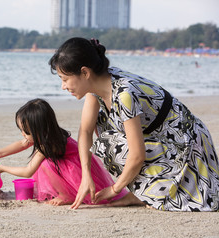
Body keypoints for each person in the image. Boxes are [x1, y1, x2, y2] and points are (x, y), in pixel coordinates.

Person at [49, 37, 219, 211]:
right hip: (159, 137)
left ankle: (145, 194)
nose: (63, 86)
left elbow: (137, 155)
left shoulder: (124, 94)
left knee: (110, 144)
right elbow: (85, 130)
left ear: (85, 73)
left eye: (65, 79)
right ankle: (144, 191)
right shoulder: (97, 85)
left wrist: (114, 190)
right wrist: (86, 175)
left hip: (187, 145)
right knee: (101, 126)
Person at [0, 98, 139, 206]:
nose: (23, 135)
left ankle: (66, 196)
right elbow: (22, 143)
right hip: (72, 167)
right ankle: (64, 192)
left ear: (39, 130)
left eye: (25, 131)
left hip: (76, 172)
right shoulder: (48, 132)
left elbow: (27, 171)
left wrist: (2, 168)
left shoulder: (48, 144)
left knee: (44, 164)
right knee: (45, 162)